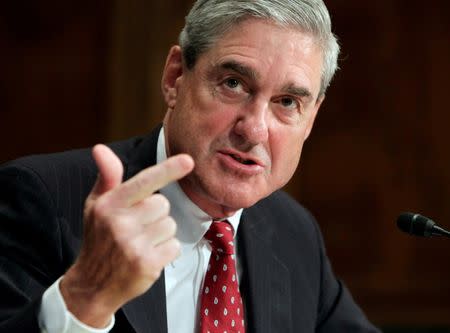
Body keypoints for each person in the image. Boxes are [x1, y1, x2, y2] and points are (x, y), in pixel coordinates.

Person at [0, 0, 382, 332]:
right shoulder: (44, 199)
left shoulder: (292, 231)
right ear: (175, 77)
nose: (254, 130)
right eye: (233, 83)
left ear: (311, 119)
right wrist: (83, 300)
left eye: (286, 103)